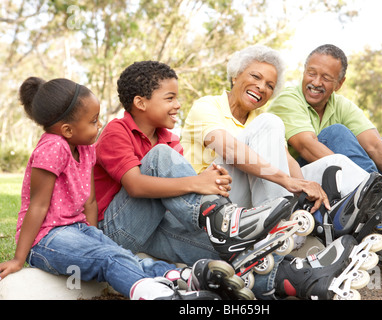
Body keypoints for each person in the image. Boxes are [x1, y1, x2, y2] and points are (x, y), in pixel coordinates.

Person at [0, 76, 242, 300]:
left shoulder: (85, 148)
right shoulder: (53, 148)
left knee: (119, 253)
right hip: (46, 238)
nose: (99, 125)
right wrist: (19, 259)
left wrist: (95, 236)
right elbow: (38, 205)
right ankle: (155, 295)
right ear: (67, 130)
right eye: (93, 121)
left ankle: (180, 277)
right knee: (109, 257)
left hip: (78, 229)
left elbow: (90, 202)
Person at [180, 45, 382, 300]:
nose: (262, 87)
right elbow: (229, 149)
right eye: (255, 77)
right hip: (215, 212)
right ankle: (279, 231)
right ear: (235, 76)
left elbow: (289, 163)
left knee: (332, 163)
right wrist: (287, 180)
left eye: (269, 85)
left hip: (250, 207)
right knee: (272, 124)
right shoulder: (207, 106)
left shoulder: (258, 119)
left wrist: (307, 187)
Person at [93, 60, 298, 292]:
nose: (178, 105)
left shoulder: (169, 138)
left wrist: (212, 182)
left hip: (155, 226)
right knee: (161, 156)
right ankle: (225, 220)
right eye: (170, 98)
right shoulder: (117, 131)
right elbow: (135, 186)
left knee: (226, 250)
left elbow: (176, 197)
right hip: (116, 230)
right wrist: (198, 182)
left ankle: (292, 278)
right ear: (140, 102)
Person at [267, 44, 382, 201]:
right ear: (304, 72)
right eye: (311, 73)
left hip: (333, 173)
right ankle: (376, 197)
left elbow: (374, 144)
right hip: (295, 178)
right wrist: (369, 179)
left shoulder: (341, 105)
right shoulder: (288, 99)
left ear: (339, 84)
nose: (316, 82)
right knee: (336, 133)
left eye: (326, 78)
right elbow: (306, 146)